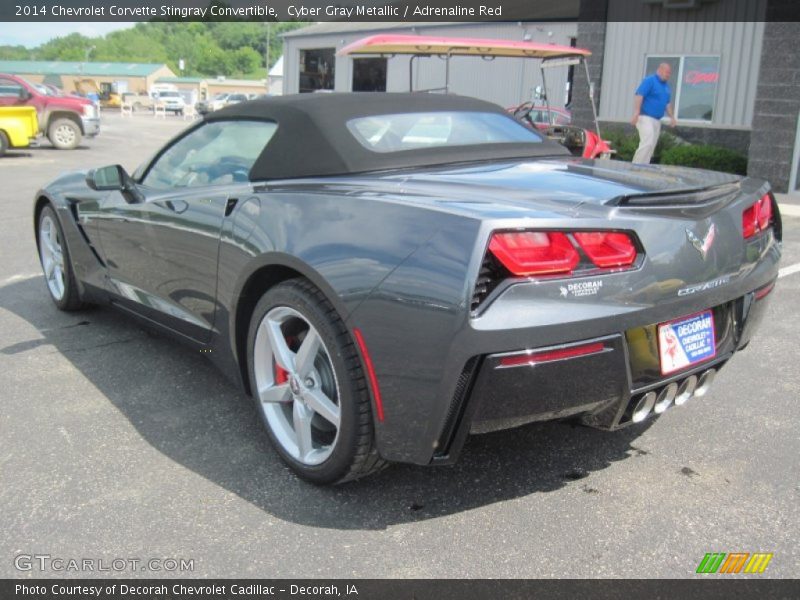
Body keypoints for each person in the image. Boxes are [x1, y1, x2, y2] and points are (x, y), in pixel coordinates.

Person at [630, 63, 677, 164]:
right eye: (667, 72)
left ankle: (644, 167)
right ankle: (635, 166)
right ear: (660, 70)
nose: (668, 75)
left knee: (651, 146)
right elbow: (639, 95)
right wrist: (636, 112)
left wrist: (672, 117)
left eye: (669, 73)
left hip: (657, 120)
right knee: (647, 141)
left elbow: (667, 104)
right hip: (645, 117)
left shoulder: (666, 87)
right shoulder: (650, 81)